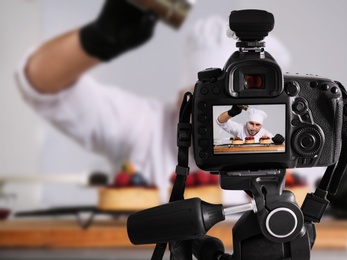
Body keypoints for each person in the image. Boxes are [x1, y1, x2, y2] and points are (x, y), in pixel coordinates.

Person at [16, 1, 290, 203]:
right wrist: (98, 39)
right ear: (179, 98)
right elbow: (40, 84)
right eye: (203, 98)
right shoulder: (146, 128)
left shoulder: (294, 145)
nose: (204, 115)